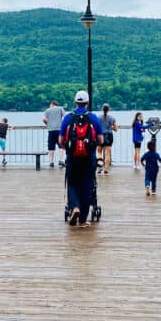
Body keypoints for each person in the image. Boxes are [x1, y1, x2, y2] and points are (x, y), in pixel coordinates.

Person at [59, 90, 103, 227]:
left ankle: (75, 207)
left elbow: (61, 140)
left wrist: (69, 146)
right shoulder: (93, 118)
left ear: (75, 102)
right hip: (89, 158)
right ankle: (83, 219)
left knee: (72, 184)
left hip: (72, 158)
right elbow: (100, 139)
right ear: (87, 102)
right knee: (87, 186)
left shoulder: (68, 118)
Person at [42, 100, 65, 168]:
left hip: (51, 130)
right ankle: (60, 160)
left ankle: (51, 162)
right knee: (61, 145)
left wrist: (48, 124)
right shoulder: (60, 108)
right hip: (59, 129)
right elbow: (65, 116)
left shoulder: (47, 110)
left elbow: (43, 119)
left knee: (51, 146)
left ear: (52, 104)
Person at [98, 103, 118, 174]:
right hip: (109, 136)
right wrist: (110, 127)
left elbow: (96, 127)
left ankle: (99, 167)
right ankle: (106, 169)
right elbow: (116, 129)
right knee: (107, 153)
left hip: (100, 135)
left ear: (102, 109)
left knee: (99, 152)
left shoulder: (98, 118)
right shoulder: (112, 118)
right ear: (108, 109)